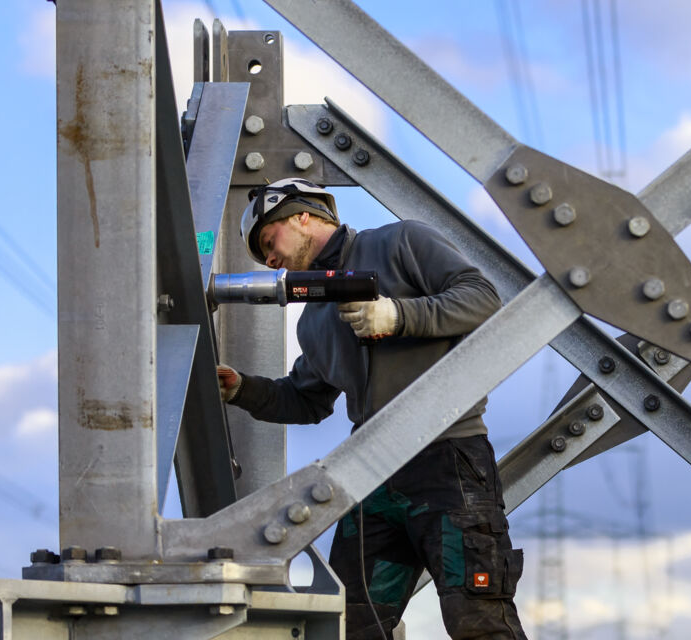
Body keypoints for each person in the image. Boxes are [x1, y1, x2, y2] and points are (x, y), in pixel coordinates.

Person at [216, 178, 527, 640]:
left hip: (447, 460)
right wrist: (241, 388)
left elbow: (483, 298)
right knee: (348, 626)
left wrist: (398, 316)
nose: (271, 260)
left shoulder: (401, 242)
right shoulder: (313, 321)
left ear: (304, 215)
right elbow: (306, 399)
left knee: (479, 621)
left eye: (268, 242)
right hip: (372, 476)